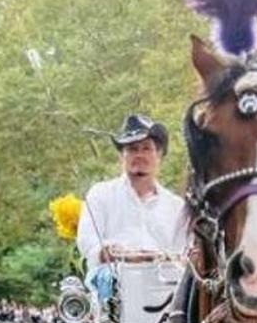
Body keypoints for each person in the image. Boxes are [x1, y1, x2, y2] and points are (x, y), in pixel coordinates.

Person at [75, 114, 187, 301]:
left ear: (159, 155)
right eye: (133, 149)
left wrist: (159, 259)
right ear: (122, 156)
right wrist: (109, 253)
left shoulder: (177, 206)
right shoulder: (100, 194)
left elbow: (185, 253)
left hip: (165, 295)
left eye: (146, 148)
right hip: (112, 294)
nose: (140, 155)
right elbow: (88, 242)